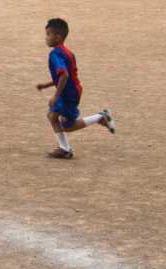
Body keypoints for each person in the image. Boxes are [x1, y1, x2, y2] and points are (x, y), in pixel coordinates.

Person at [37, 17, 115, 161]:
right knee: (53, 117)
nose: (46, 38)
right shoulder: (67, 52)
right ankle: (65, 148)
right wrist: (46, 85)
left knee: (66, 125)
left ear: (58, 37)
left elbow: (64, 75)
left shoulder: (55, 54)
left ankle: (99, 118)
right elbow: (65, 75)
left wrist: (55, 95)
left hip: (68, 94)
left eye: (48, 34)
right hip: (73, 91)